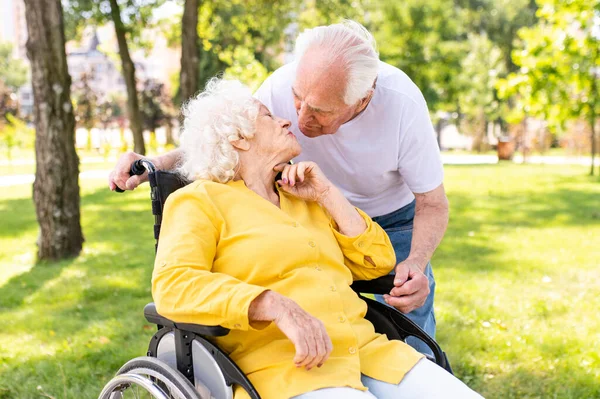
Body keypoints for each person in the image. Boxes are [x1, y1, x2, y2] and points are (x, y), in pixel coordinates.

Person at [110, 20, 448, 355]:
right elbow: (225, 132)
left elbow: (432, 203)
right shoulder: (283, 85)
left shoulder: (401, 105)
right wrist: (156, 161)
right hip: (313, 209)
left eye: (319, 111)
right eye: (296, 101)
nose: (298, 120)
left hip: (389, 215)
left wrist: (416, 264)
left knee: (411, 308)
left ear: (361, 101)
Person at [152, 78, 481, 399]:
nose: (285, 120)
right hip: (289, 368)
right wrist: (275, 306)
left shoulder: (303, 193)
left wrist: (328, 194)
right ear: (238, 136)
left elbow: (379, 262)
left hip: (370, 353)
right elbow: (173, 285)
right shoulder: (199, 201)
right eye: (268, 116)